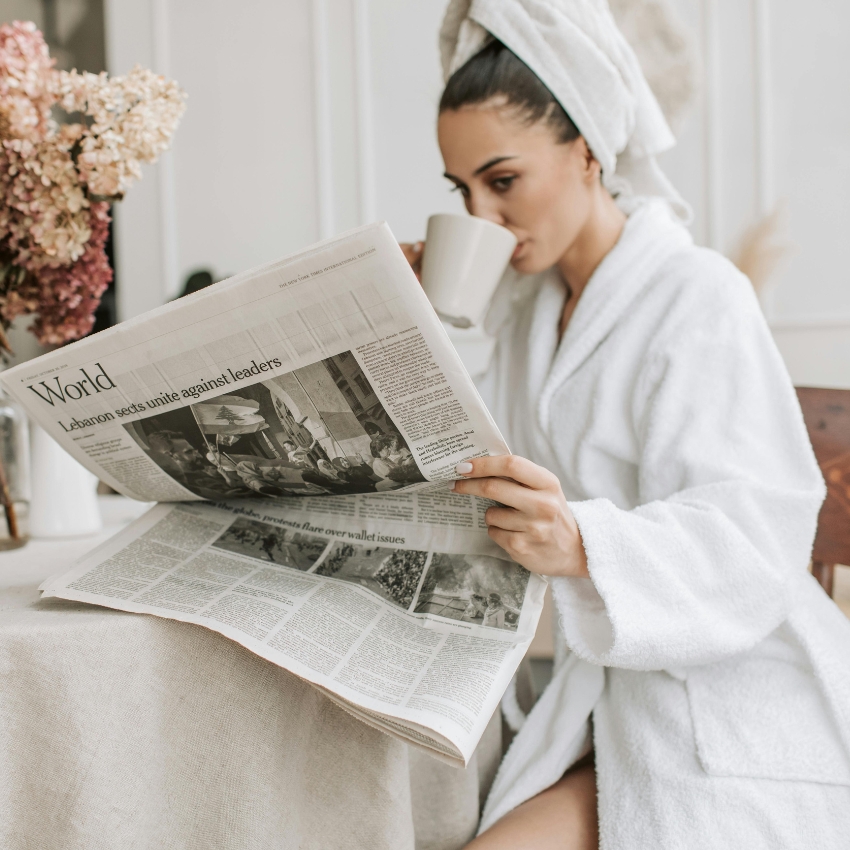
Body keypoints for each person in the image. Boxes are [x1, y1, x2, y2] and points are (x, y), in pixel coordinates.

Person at [400, 3, 850, 848]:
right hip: (600, 692)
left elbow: (754, 536)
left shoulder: (698, 294)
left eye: (503, 182)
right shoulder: (533, 313)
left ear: (588, 152)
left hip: (730, 688)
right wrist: (415, 319)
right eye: (461, 192)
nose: (481, 217)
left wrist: (583, 545)